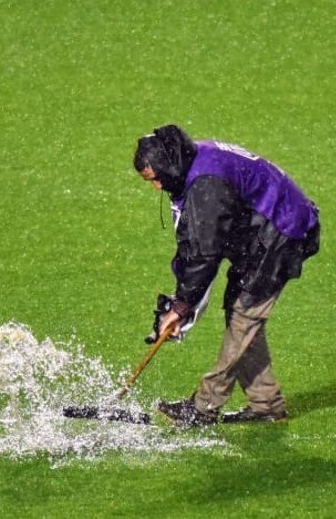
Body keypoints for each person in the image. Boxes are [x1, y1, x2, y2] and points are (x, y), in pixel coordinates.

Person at [133, 125, 320, 427]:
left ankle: (203, 407)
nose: (156, 188)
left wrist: (181, 308)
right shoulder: (191, 159)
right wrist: (181, 303)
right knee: (240, 313)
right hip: (263, 231)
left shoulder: (206, 187)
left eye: (155, 179)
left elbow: (204, 255)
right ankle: (266, 405)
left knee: (244, 317)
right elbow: (194, 247)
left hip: (282, 235)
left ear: (166, 166)